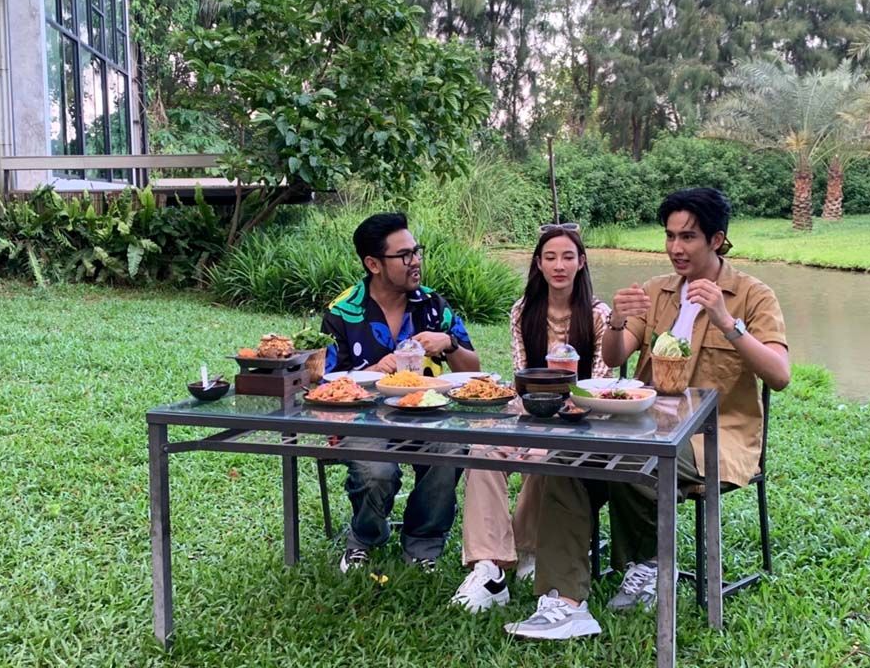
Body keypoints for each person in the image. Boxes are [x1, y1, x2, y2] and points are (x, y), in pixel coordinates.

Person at [506, 187, 790, 639]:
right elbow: (616, 354)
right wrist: (617, 321)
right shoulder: (657, 291)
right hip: (642, 425)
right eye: (670, 236)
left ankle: (650, 564)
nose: (676, 248)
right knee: (566, 457)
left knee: (636, 457)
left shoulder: (753, 295)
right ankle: (565, 602)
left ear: (717, 240)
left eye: (688, 237)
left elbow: (779, 375)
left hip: (715, 439)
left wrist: (726, 321)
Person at [451, 225, 611, 613]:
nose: (559, 265)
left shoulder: (598, 314)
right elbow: (521, 375)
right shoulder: (524, 311)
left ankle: (529, 549)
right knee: (484, 449)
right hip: (530, 411)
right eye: (550, 257)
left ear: (581, 262)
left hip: (583, 419)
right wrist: (530, 419)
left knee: (546, 454)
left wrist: (563, 414)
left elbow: (601, 382)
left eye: (568, 257)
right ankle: (489, 566)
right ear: (538, 264)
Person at [320, 212, 481, 573]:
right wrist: (375, 372)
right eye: (404, 255)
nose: (416, 261)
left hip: (429, 414)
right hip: (363, 420)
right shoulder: (343, 312)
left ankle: (423, 541)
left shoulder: (432, 305)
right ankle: (365, 537)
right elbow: (326, 383)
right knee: (376, 471)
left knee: (452, 448)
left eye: (416, 251)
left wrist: (450, 343)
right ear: (373, 264)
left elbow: (473, 370)